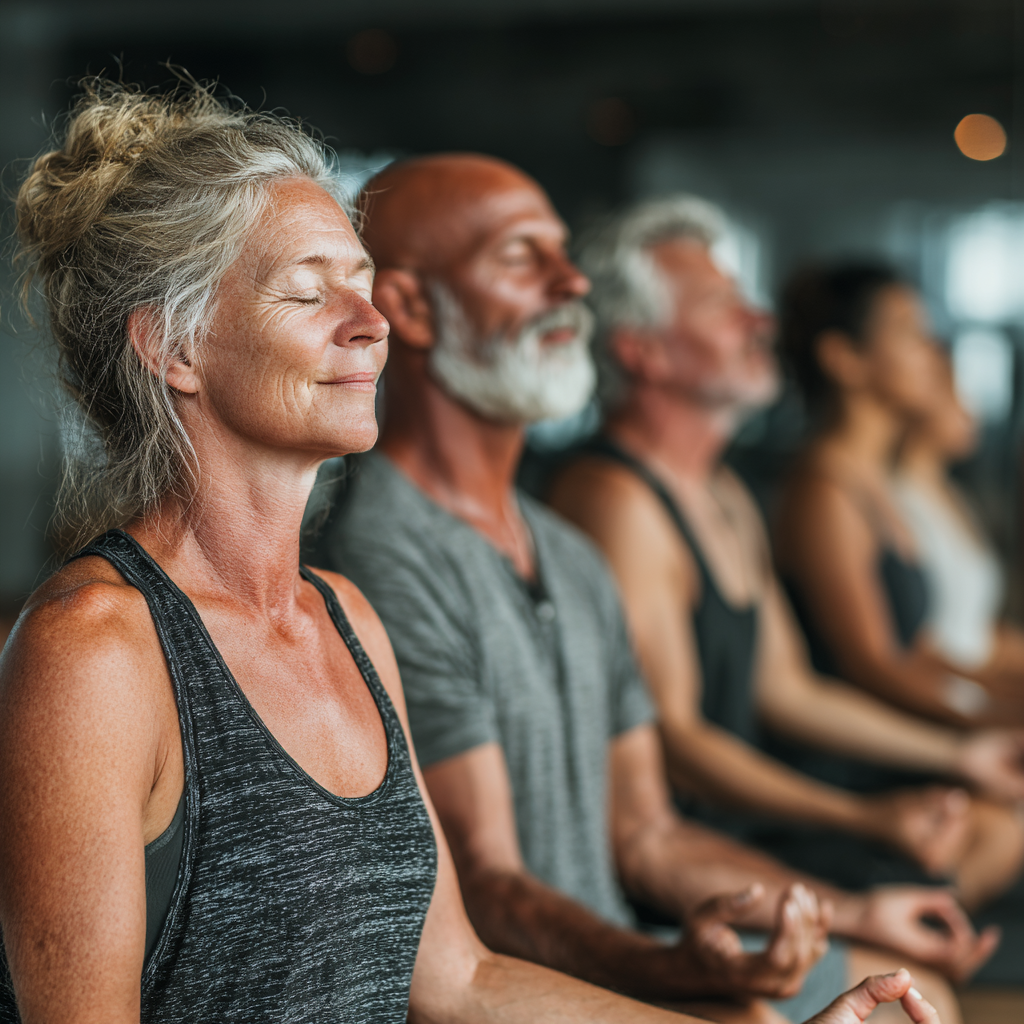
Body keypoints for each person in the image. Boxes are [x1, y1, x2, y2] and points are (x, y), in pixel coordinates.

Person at [0, 80, 898, 1024]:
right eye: (309, 291)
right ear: (173, 349)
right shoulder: (93, 651)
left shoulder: (346, 619)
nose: (371, 322)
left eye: (363, 283)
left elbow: (460, 979)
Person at [310, 153, 985, 1024]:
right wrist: (681, 977)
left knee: (913, 995)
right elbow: (488, 891)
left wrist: (847, 910)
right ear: (408, 307)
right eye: (523, 257)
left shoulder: (566, 549)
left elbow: (646, 834)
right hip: (530, 984)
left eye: (564, 253)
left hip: (622, 946)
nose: (572, 282)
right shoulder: (383, 553)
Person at [544, 196, 1024, 915]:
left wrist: (959, 755)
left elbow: (790, 690)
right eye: (719, 305)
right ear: (640, 350)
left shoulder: (724, 490)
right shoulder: (617, 501)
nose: (758, 320)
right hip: (681, 866)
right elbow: (677, 743)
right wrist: (863, 816)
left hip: (748, 828)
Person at [774, 262, 1024, 730]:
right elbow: (872, 667)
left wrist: (1002, 706)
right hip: (861, 763)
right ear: (843, 357)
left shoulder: (871, 483)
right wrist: (999, 720)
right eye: (909, 333)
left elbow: (923, 655)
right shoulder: (823, 490)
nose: (930, 353)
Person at [894, 348, 1024, 705]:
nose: (971, 411)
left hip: (979, 698)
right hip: (945, 709)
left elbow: (978, 635)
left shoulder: (953, 493)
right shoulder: (895, 500)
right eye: (957, 395)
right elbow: (916, 648)